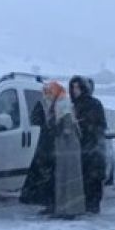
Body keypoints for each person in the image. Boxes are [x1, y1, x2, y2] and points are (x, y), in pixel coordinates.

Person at [69, 76, 107, 214]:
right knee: (84, 177)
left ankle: (93, 203)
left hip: (93, 146)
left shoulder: (94, 104)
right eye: (72, 87)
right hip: (80, 146)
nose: (74, 91)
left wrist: (83, 124)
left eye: (77, 87)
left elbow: (99, 125)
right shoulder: (74, 105)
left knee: (93, 177)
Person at [20, 82, 60, 212]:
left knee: (51, 175)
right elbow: (34, 119)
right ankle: (43, 200)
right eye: (46, 92)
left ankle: (50, 202)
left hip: (55, 145)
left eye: (50, 92)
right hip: (45, 143)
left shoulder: (61, 106)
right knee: (43, 173)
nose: (48, 95)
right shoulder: (42, 104)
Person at [50, 82, 86, 218]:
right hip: (65, 148)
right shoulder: (62, 104)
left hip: (67, 148)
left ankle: (69, 210)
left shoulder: (63, 106)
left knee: (68, 178)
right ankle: (65, 209)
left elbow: (66, 129)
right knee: (65, 178)